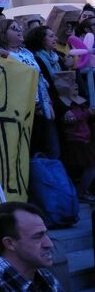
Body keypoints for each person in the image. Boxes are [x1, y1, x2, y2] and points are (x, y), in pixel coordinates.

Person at [0, 19, 58, 158]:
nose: (19, 30)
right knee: (31, 152)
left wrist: (48, 102)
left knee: (52, 150)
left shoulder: (26, 52)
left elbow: (39, 78)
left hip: (41, 106)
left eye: (19, 27)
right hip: (21, 110)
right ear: (3, 33)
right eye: (14, 28)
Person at [52, 72, 95, 202]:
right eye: (71, 83)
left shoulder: (77, 101)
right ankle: (81, 193)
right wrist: (87, 113)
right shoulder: (63, 105)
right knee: (91, 167)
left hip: (84, 139)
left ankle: (82, 191)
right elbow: (70, 121)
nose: (75, 86)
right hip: (76, 140)